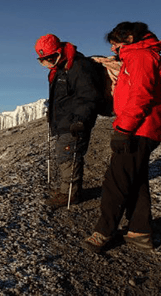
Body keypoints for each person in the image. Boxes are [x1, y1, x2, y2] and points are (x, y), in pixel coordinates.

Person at [83, 22, 161, 253]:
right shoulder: (141, 56)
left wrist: (124, 129)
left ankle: (104, 232)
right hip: (143, 128)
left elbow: (141, 96)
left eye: (115, 43)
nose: (112, 49)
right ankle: (140, 231)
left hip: (138, 129)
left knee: (115, 182)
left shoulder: (141, 57)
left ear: (129, 38)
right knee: (135, 180)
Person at [35, 34, 104, 209]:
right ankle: (67, 190)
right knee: (63, 155)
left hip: (74, 123)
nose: (48, 63)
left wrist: (80, 120)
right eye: (43, 60)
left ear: (59, 52)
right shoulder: (60, 69)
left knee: (69, 156)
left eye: (50, 58)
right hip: (64, 122)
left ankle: (71, 194)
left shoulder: (79, 67)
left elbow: (89, 96)